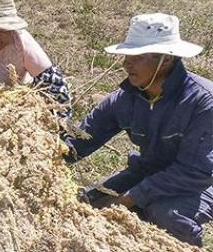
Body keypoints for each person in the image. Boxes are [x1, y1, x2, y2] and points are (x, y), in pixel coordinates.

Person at [64, 13, 213, 246]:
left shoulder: (203, 102)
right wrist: (44, 155)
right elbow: (81, 139)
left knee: (165, 214)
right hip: (148, 171)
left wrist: (129, 199)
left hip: (199, 182)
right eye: (127, 56)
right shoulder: (125, 99)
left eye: (137, 56)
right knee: (87, 203)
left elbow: (193, 171)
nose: (126, 63)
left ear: (166, 59)